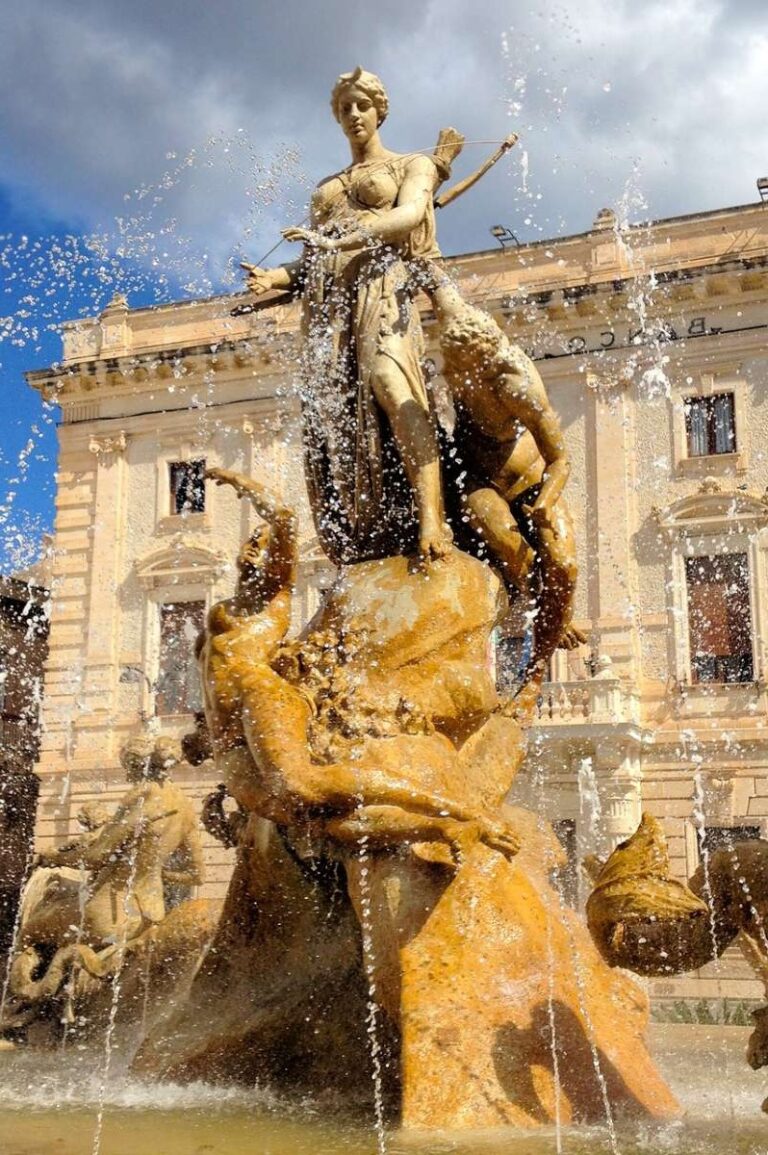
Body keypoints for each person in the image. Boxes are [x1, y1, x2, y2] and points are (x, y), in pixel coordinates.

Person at [198, 466, 519, 861]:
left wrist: (245, 485)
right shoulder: (223, 611)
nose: (252, 549)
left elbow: (284, 518)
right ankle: (441, 826)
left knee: (304, 787)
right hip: (230, 736)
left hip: (263, 699)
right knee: (316, 823)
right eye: (250, 542)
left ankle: (456, 809)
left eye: (262, 545)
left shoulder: (273, 601)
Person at [241, 67, 456, 565]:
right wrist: (272, 279)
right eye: (344, 108)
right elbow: (313, 260)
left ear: (380, 109)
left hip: (384, 290)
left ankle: (431, 517)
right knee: (333, 418)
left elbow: (407, 218)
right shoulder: (328, 187)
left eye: (361, 104)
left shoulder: (413, 164)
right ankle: (366, 528)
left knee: (390, 379)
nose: (353, 114)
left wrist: (340, 239)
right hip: (329, 307)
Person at [428, 275, 586, 690]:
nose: (453, 376)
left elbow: (561, 458)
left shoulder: (516, 384)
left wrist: (546, 503)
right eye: (451, 367)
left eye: (461, 370)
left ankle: (535, 670)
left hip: (532, 481)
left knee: (564, 567)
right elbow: (439, 284)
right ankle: (536, 613)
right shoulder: (457, 342)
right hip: (477, 480)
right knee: (519, 556)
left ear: (482, 362)